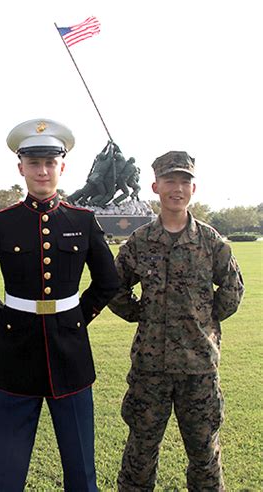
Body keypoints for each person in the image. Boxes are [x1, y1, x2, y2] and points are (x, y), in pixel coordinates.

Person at [0, 118, 120, 491]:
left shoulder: (83, 220)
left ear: (62, 166)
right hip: (14, 357)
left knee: (82, 475)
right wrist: (5, 321)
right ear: (21, 168)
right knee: (8, 477)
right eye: (34, 163)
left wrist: (77, 319)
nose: (43, 170)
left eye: (50, 162)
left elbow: (107, 281)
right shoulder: (2, 223)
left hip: (71, 357)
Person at [108, 151, 244, 491]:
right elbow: (115, 288)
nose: (177, 188)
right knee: (140, 450)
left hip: (198, 367)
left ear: (193, 189)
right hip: (150, 369)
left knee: (204, 454)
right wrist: (142, 314)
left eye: (185, 181)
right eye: (170, 180)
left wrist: (204, 322)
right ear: (156, 186)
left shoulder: (210, 242)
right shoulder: (140, 241)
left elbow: (232, 288)